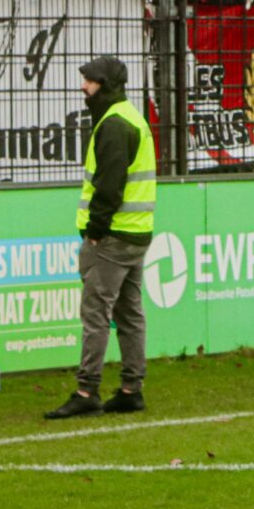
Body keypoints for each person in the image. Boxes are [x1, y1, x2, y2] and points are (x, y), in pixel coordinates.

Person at [48, 55, 155, 419]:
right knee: (130, 314)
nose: (84, 86)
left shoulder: (113, 124)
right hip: (136, 233)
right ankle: (131, 389)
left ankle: (87, 390)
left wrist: (94, 232)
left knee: (96, 314)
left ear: (104, 85)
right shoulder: (132, 117)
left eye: (90, 80)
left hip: (111, 238)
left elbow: (109, 186)